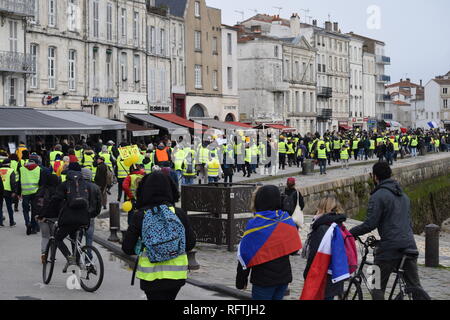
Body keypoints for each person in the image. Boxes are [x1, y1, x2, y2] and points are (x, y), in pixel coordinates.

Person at [349, 162, 425, 300]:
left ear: (375, 177)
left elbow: (370, 224)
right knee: (415, 287)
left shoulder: (378, 196)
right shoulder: (404, 196)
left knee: (376, 285)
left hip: (389, 248)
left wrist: (351, 233)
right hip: (409, 245)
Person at [122, 171, 196, 300]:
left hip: (150, 277)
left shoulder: (140, 216)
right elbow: (190, 244)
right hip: (176, 276)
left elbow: (127, 248)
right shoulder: (178, 213)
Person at [236, 185, 301, 300]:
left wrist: (241, 280)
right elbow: (294, 249)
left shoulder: (255, 224)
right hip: (283, 278)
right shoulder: (285, 219)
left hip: (263, 281)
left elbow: (245, 255)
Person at [40, 163, 96, 272]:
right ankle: (79, 263)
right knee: (76, 241)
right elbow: (92, 202)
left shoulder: (65, 185)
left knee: (57, 238)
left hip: (69, 219)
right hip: (84, 218)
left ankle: (70, 258)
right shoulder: (86, 184)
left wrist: (44, 214)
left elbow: (55, 201)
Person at [303, 196, 348, 300]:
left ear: (322, 208)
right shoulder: (338, 225)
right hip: (334, 275)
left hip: (322, 278)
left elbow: (315, 254)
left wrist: (307, 274)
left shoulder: (322, 227)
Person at [34, 174, 60, 263]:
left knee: (45, 237)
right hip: (55, 217)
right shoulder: (58, 191)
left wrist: (38, 215)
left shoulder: (41, 190)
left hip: (42, 217)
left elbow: (36, 204)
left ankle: (44, 254)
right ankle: (52, 256)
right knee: (54, 237)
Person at [19, 154, 46, 235]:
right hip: (35, 193)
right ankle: (34, 227)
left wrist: (18, 192)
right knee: (34, 210)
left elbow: (19, 181)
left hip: (25, 193)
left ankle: (28, 223)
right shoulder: (39, 169)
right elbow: (41, 183)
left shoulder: (21, 169)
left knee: (25, 210)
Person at [80, 168, 102, 249]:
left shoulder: (78, 185)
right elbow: (99, 203)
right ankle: (88, 257)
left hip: (79, 215)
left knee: (78, 237)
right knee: (89, 238)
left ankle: (77, 257)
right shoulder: (95, 187)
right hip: (91, 215)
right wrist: (96, 213)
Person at [0, 159, 17, 227]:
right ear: (9, 164)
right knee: (9, 207)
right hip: (8, 190)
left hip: (0, 190)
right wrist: (14, 191)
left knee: (0, 207)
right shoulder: (11, 171)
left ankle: (0, 223)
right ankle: (11, 222)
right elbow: (13, 182)